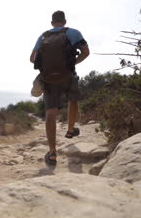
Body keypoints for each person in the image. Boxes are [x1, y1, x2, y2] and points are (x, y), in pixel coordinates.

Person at [30, 10, 90, 165]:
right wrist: (72, 63)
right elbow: (86, 52)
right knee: (73, 99)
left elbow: (32, 59)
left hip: (48, 78)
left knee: (51, 111)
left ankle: (52, 153)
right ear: (64, 21)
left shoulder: (43, 36)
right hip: (68, 75)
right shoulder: (73, 33)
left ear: (52, 23)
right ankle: (70, 129)